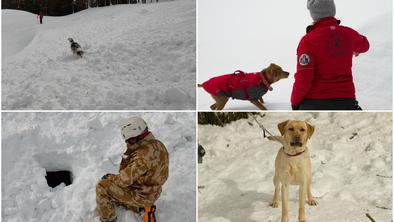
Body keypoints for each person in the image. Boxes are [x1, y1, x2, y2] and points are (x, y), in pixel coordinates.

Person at [291, 0, 370, 110]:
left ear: (313, 14)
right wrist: (353, 47)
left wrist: (294, 103)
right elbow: (365, 45)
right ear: (332, 10)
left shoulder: (307, 41)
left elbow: (304, 78)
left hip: (313, 102)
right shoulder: (348, 34)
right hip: (345, 101)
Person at [96, 117, 169, 222]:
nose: (129, 143)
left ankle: (109, 219)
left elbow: (123, 181)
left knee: (102, 186)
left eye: (130, 140)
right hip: (154, 190)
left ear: (137, 136)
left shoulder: (142, 156)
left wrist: (109, 177)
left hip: (142, 195)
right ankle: (140, 207)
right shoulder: (158, 144)